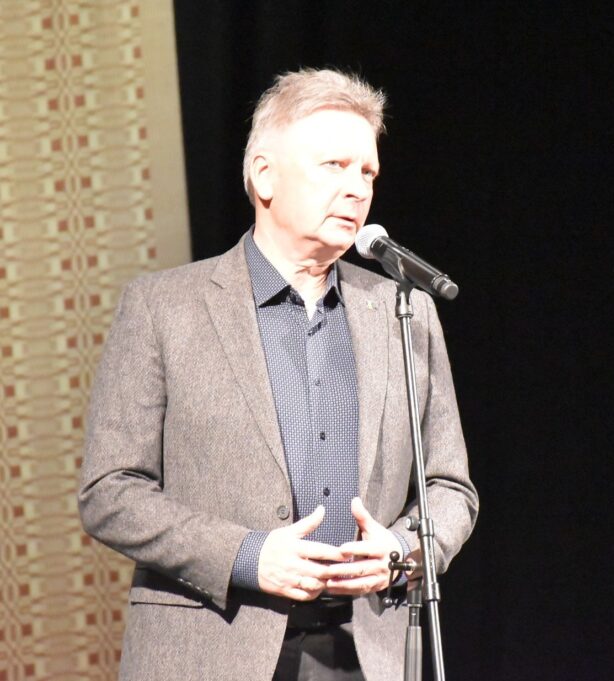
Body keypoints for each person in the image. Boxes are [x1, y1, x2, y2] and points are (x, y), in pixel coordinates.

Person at [78, 68, 478, 681]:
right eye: (334, 165)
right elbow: (110, 491)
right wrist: (246, 555)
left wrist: (401, 551)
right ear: (264, 176)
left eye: (367, 172)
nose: (357, 189)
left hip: (365, 652)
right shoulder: (163, 308)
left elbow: (450, 488)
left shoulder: (404, 310)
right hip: (210, 650)